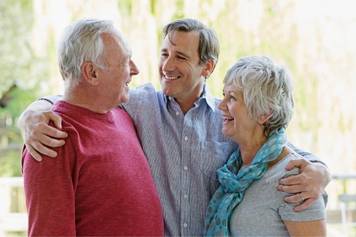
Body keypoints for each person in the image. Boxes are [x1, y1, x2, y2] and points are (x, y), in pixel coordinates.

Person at [18, 19, 330, 236]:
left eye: (180, 56)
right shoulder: (136, 106)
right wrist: (33, 111)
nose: (166, 66)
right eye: (165, 53)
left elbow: (270, 144)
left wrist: (319, 169)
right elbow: (77, 95)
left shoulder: (226, 117)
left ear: (206, 67)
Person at [22, 19, 164, 236]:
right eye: (125, 62)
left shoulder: (122, 115)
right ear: (92, 73)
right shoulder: (52, 138)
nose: (135, 70)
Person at [205, 56, 326, 236]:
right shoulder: (234, 170)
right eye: (224, 95)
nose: (220, 106)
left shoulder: (295, 180)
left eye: (232, 98)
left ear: (264, 113)